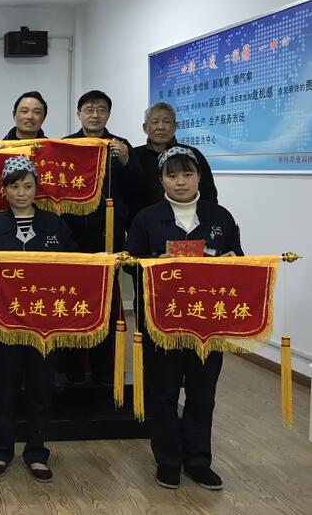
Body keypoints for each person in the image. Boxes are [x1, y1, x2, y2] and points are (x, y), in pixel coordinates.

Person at [125, 145, 241, 491]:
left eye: (187, 174)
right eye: (172, 175)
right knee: (163, 392)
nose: (180, 182)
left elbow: (238, 259)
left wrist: (232, 260)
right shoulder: (146, 218)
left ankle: (198, 461)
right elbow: (130, 263)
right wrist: (154, 262)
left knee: (203, 392)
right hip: (162, 320)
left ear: (199, 177)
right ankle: (168, 460)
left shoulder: (220, 217)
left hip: (207, 322)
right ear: (161, 179)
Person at [0, 156, 76, 483]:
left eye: (28, 186)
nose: (22, 193)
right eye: (15, 186)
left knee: (41, 388)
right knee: (5, 388)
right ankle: (0, 450)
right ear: (4, 190)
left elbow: (76, 262)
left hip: (44, 323)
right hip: (4, 321)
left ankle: (37, 453)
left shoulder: (54, 224)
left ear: (36, 188)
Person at [61, 89, 138, 384]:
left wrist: (127, 161)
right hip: (71, 237)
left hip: (108, 236)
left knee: (106, 302)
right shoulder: (65, 145)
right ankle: (73, 370)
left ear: (108, 114)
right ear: (79, 113)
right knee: (71, 300)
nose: (95, 115)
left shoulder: (121, 146)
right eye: (89, 109)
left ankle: (104, 369)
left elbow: (137, 187)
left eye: (101, 109)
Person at [127, 102, 218, 225]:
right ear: (145, 127)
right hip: (144, 226)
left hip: (188, 224)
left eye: (166, 121)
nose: (161, 127)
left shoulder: (191, 155)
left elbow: (209, 194)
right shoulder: (133, 156)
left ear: (175, 126)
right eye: (155, 122)